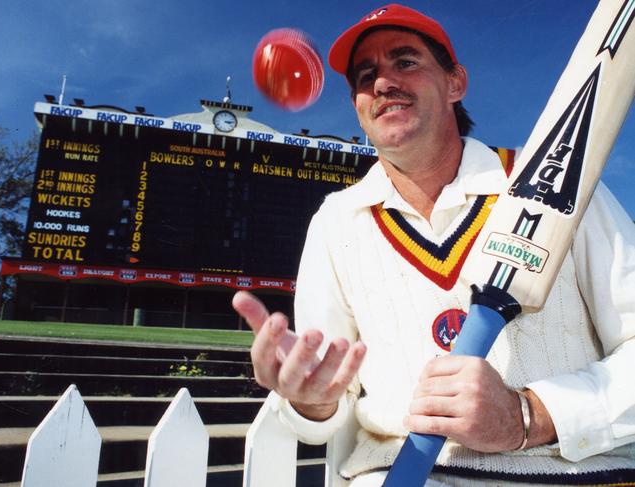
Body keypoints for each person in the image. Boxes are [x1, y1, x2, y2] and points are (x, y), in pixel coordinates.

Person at [233, 4, 635, 486]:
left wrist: (530, 416)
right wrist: (310, 399)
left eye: (406, 62)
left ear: (455, 83)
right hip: (394, 474)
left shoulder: (555, 181)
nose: (382, 83)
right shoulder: (337, 222)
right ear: (358, 108)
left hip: (569, 473)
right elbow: (327, 405)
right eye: (366, 75)